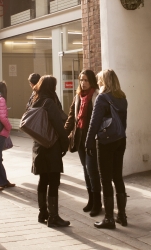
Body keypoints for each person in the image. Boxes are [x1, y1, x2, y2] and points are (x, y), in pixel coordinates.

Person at [86, 69, 128, 229]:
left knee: (105, 179)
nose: (98, 83)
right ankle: (122, 216)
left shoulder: (102, 98)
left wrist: (88, 142)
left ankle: (109, 218)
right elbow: (123, 123)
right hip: (120, 139)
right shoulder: (122, 98)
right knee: (118, 177)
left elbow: (94, 122)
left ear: (104, 82)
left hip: (105, 142)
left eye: (99, 80)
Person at [29, 75, 70, 227]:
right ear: (51, 87)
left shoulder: (34, 101)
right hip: (51, 147)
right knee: (54, 181)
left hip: (38, 146)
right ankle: (53, 216)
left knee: (43, 180)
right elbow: (59, 126)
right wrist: (65, 144)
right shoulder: (49, 102)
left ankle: (42, 213)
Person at [64, 70, 102, 217]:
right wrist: (63, 134)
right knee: (86, 170)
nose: (83, 83)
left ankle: (97, 202)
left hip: (92, 139)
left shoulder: (96, 96)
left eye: (86, 80)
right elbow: (71, 117)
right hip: (79, 138)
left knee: (92, 171)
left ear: (91, 81)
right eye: (81, 80)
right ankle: (91, 199)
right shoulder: (78, 96)